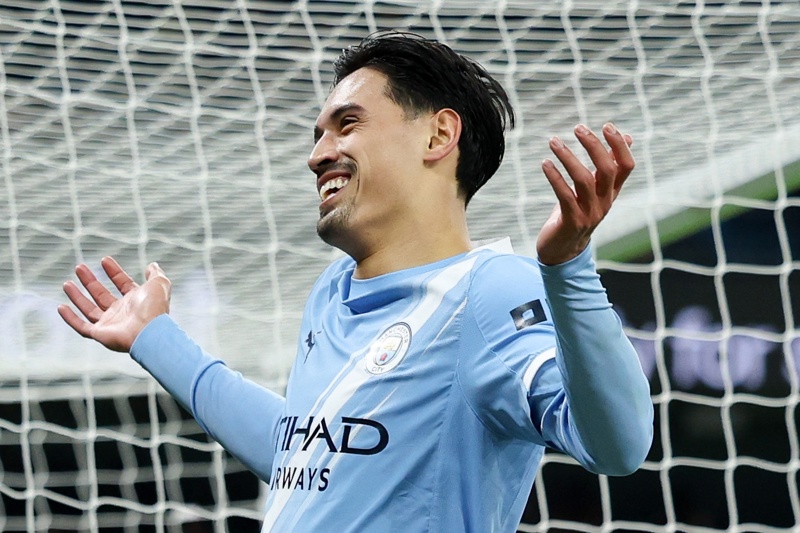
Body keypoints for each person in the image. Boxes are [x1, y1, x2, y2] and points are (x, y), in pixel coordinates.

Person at [59, 32, 653, 532]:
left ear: (438, 136)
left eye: (347, 123)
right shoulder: (331, 292)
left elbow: (618, 446)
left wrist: (568, 267)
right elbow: (305, 458)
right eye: (318, 135)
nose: (319, 154)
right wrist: (155, 337)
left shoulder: (491, 291)